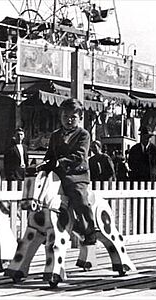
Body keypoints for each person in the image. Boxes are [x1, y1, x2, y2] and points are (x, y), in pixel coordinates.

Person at [40, 98, 96, 245]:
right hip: (58, 174)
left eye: (73, 117)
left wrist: (60, 162)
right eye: (65, 117)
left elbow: (79, 155)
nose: (69, 120)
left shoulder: (83, 135)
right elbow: (50, 155)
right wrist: (43, 165)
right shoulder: (55, 135)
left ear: (80, 118)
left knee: (80, 198)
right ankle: (43, 228)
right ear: (60, 117)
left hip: (76, 175)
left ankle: (90, 230)